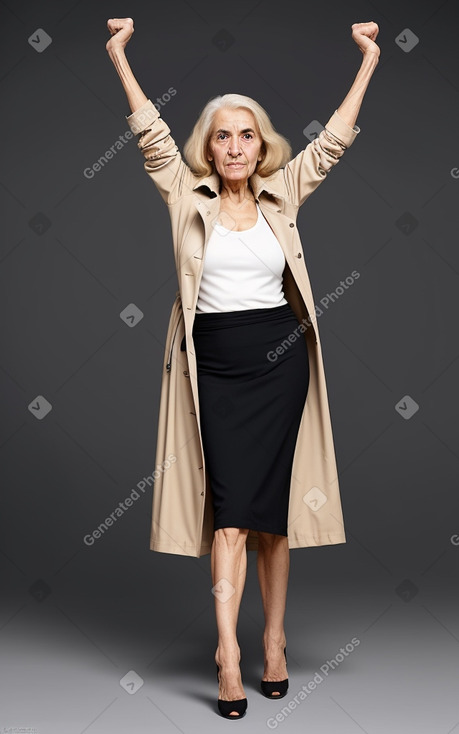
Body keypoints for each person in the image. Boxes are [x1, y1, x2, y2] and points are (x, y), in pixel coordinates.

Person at [106, 17, 380, 720]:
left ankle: (276, 642)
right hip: (213, 366)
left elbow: (334, 143)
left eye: (246, 134)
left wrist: (369, 59)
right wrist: (118, 54)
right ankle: (229, 653)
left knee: (272, 521)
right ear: (209, 145)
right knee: (228, 516)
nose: (234, 146)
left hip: (277, 360)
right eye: (222, 135)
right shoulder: (183, 193)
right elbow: (149, 134)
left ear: (262, 145)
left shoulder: (281, 193)